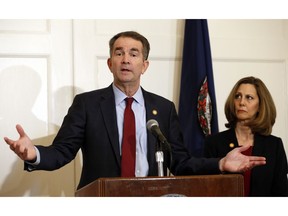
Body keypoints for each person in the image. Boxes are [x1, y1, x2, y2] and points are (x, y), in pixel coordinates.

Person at [4, 31, 266, 191]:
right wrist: (34, 153)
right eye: (118, 53)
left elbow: (181, 162)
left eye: (133, 53)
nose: (125, 59)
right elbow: (62, 152)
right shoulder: (87, 104)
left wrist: (220, 163)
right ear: (110, 63)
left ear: (145, 64)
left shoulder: (163, 109)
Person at [204, 76, 288, 196]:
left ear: (260, 106)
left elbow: (281, 195)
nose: (241, 102)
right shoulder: (214, 143)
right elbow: (206, 190)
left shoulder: (274, 146)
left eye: (249, 98)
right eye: (237, 96)